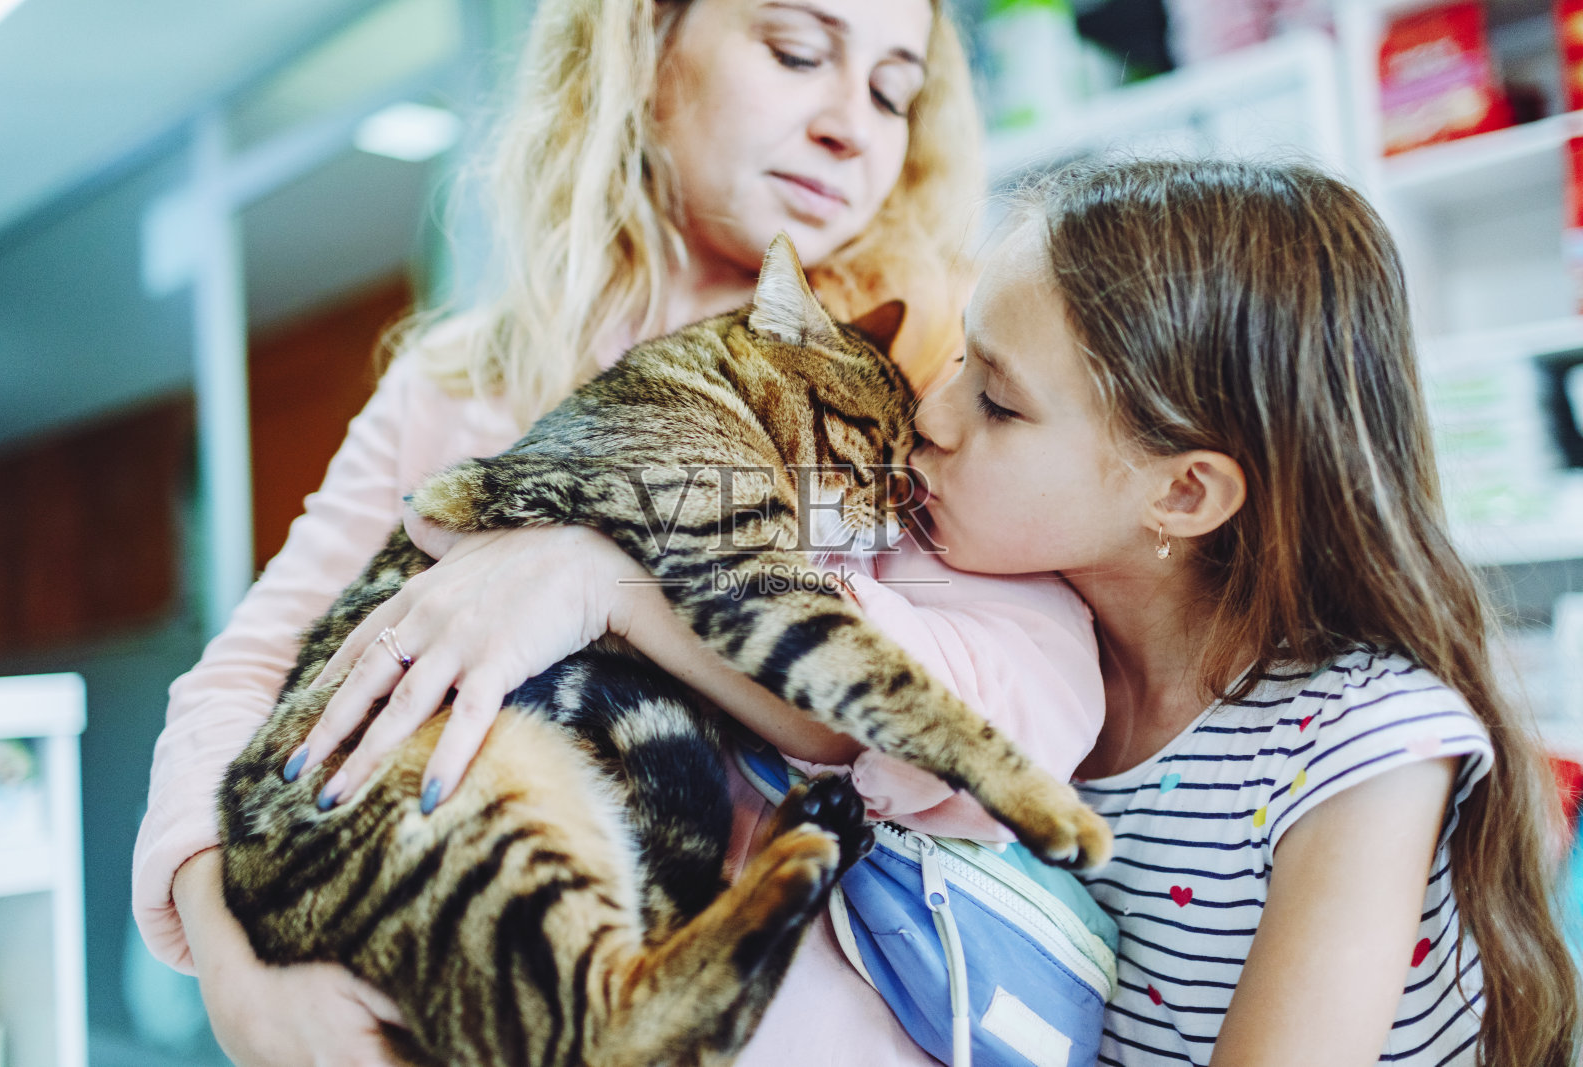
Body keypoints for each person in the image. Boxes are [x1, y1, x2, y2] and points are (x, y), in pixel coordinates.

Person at [136, 1, 1112, 1064]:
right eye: (797, 53)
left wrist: (609, 585)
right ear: (643, 45)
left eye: (892, 91)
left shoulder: (943, 377)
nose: (851, 127)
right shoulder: (457, 380)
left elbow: (1032, 716)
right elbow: (246, 677)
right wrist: (233, 963)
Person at [908, 156, 1574, 1064]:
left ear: (1183, 494)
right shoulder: (1022, 643)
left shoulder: (1363, 747)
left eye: (996, 401)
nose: (931, 414)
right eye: (959, 359)